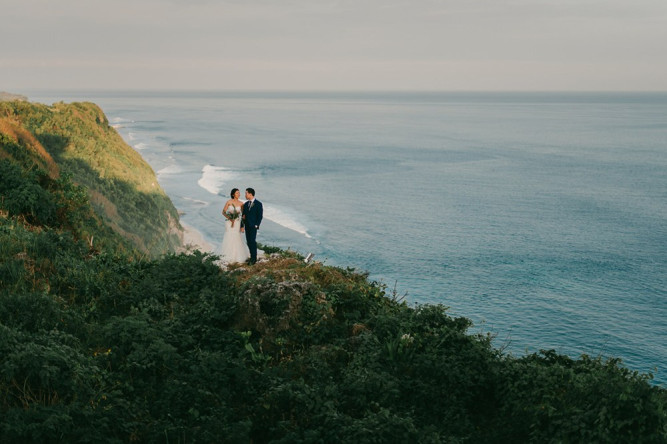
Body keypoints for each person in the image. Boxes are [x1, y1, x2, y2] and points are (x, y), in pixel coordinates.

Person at [220, 188, 250, 264]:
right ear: (233, 194)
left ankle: (237, 255)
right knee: (229, 236)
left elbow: (243, 215)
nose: (239, 194)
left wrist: (242, 226)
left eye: (239, 193)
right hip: (229, 223)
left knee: (237, 236)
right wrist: (230, 218)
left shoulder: (241, 203)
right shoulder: (229, 202)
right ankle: (227, 254)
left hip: (237, 222)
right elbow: (223, 212)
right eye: (237, 193)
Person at [242, 187, 263, 264]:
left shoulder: (258, 204)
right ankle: (251, 257)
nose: (245, 195)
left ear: (250, 194)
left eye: (246, 193)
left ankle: (254, 259)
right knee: (248, 241)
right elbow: (243, 216)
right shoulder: (246, 204)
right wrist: (242, 226)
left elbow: (260, 216)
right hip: (247, 226)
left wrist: (257, 225)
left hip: (253, 226)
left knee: (252, 241)